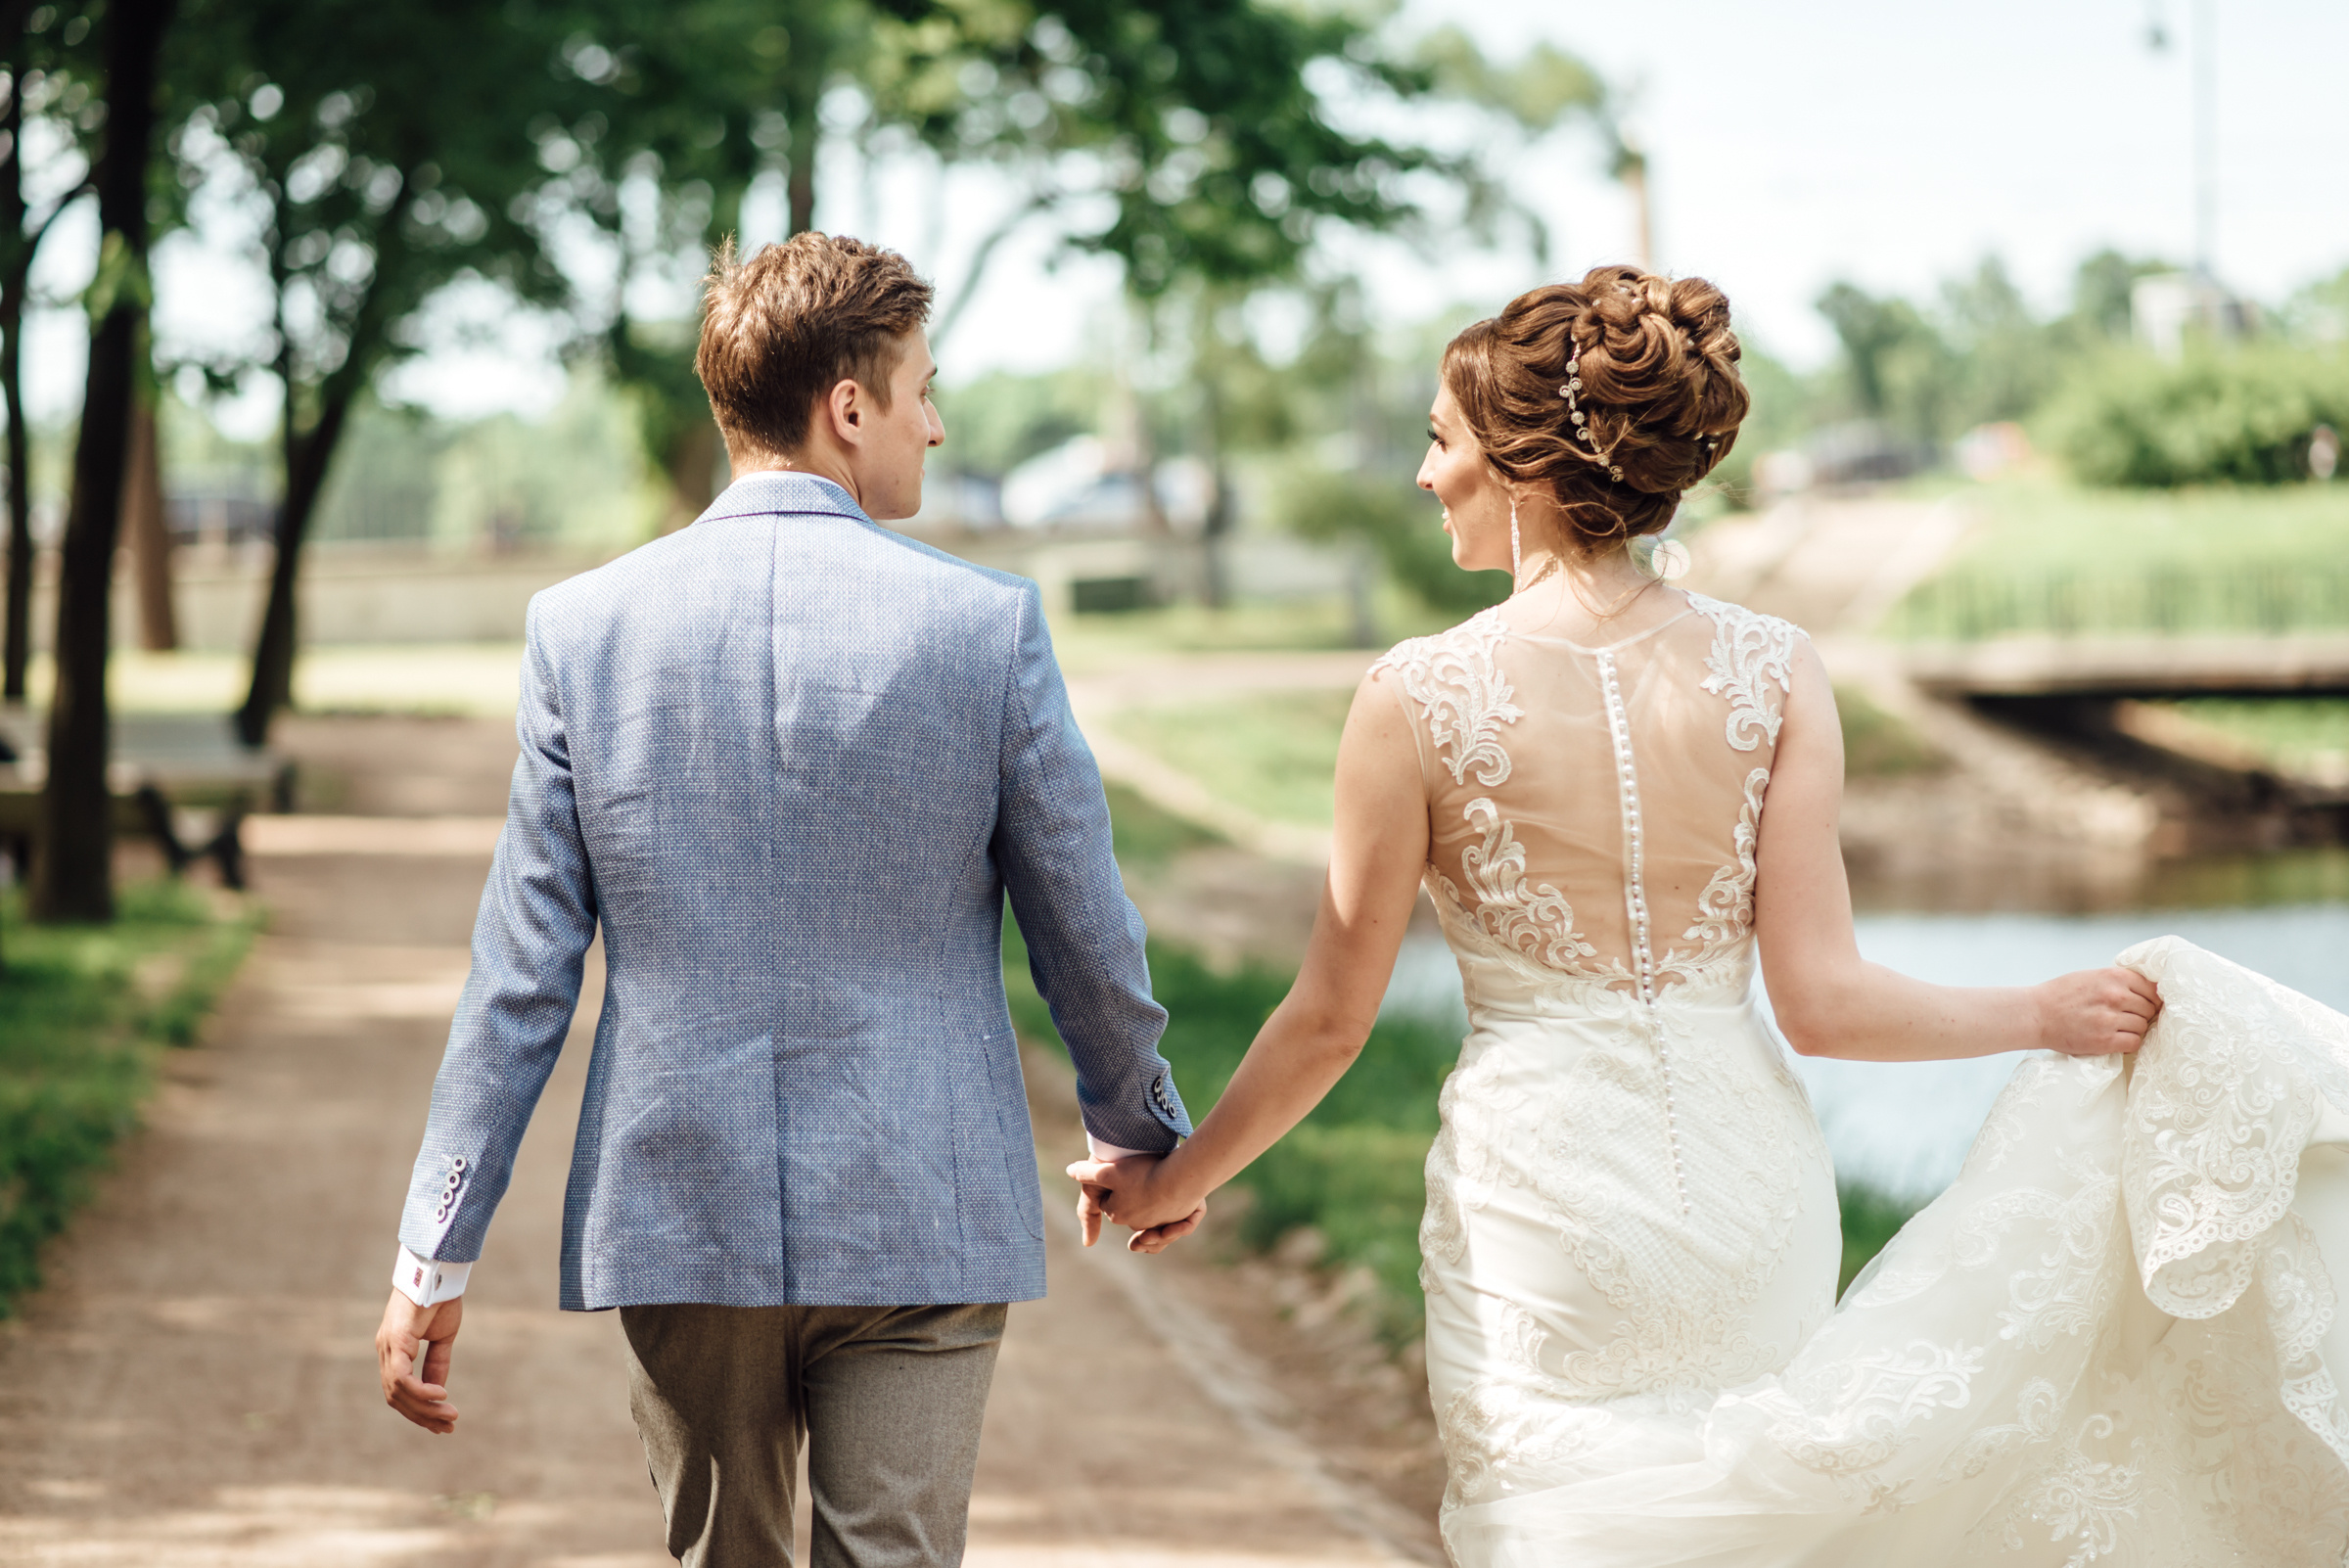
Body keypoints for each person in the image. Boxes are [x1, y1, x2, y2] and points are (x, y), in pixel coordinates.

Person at [1077, 264, 2349, 1564]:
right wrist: (2039, 1009)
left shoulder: (1414, 695)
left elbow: (1334, 1019)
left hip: (1547, 1200)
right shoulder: (1777, 667)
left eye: (1440, 441)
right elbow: (1825, 1001)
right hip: (1752, 1196)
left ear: (1522, 466)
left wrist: (1176, 1177)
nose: (1424, 474)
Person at [373, 231, 1200, 1568]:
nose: (935, 425)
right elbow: (1086, 932)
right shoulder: (984, 626)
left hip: (676, 1206)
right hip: (924, 1204)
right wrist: (1143, 1132)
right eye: (923, 389)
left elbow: (520, 976)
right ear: (849, 405)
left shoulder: (584, 629)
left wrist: (435, 1247)